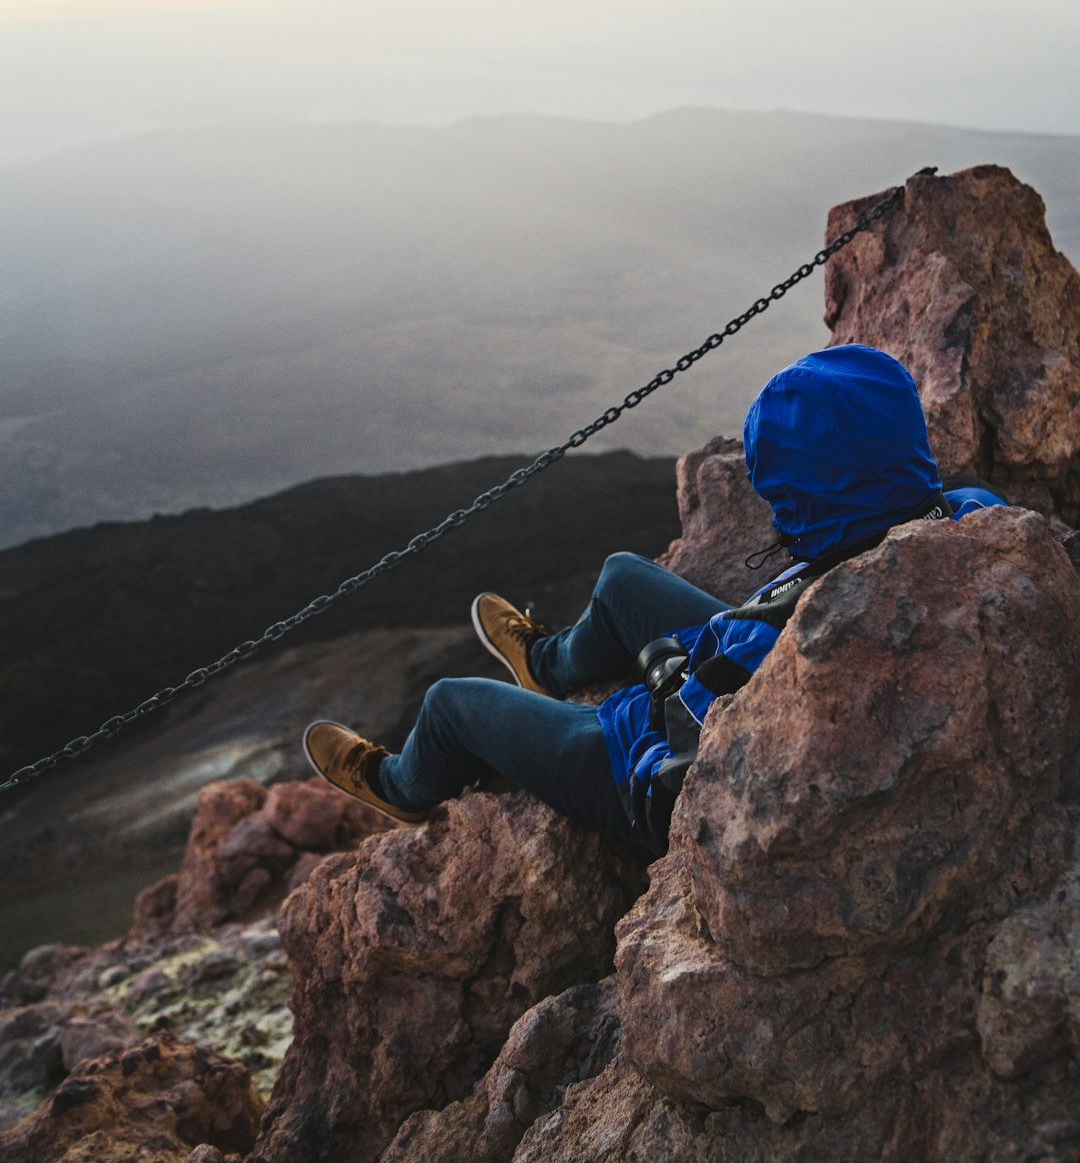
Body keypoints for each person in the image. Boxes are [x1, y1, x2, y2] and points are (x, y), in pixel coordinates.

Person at [303, 345, 1006, 861]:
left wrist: (668, 675)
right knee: (620, 578)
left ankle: (399, 786)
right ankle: (548, 665)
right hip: (746, 637)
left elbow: (697, 753)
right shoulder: (967, 514)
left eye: (783, 499)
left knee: (451, 703)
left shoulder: (793, 647)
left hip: (629, 764)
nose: (775, 513)